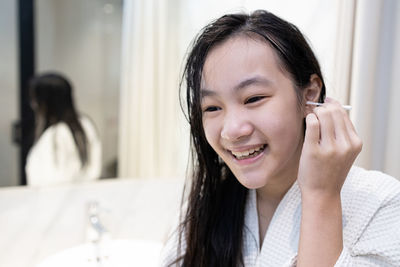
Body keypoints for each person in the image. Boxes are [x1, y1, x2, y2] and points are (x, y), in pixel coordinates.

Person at [161, 10, 400, 266]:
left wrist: (321, 195)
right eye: (212, 108)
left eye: (253, 98)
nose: (231, 130)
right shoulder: (205, 205)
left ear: (310, 94)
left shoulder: (380, 202)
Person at [26, 73, 102, 186]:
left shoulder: (57, 134)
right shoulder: (84, 125)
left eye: (35, 99)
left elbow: (52, 181)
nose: (33, 104)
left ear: (46, 101)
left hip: (56, 200)